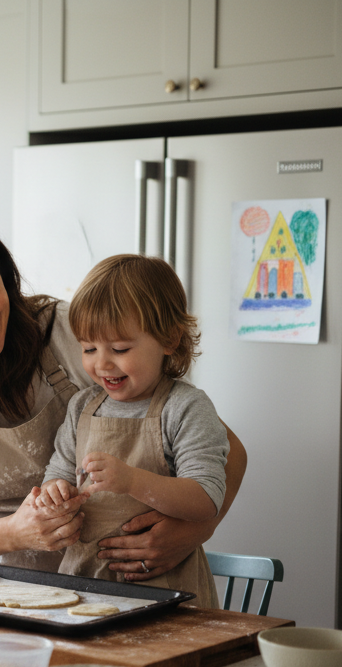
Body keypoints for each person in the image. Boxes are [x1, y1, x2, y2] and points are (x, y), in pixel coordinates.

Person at [0, 201, 246, 579]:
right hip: (9, 590)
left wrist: (192, 533)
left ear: (3, 272)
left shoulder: (70, 334)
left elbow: (229, 453)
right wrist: (15, 532)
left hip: (125, 582)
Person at [39, 254, 224, 606]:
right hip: (83, 588)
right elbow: (58, 473)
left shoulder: (184, 407)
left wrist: (133, 482)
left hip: (164, 591)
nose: (102, 363)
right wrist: (55, 493)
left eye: (120, 348)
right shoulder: (82, 406)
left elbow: (205, 500)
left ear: (169, 340)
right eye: (89, 348)